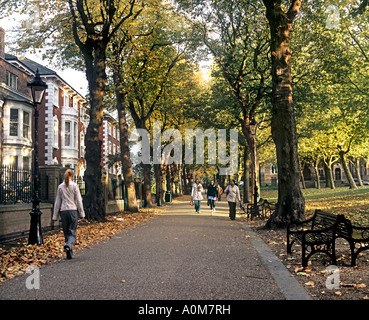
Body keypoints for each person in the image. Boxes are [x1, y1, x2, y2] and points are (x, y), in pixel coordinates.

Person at [53, 169, 85, 259]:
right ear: (72, 176)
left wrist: (55, 216)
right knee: (72, 232)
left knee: (66, 232)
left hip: (63, 211)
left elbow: (57, 202)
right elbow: (79, 200)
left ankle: (69, 254)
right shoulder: (74, 186)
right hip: (73, 211)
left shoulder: (60, 186)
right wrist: (82, 214)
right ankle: (68, 244)